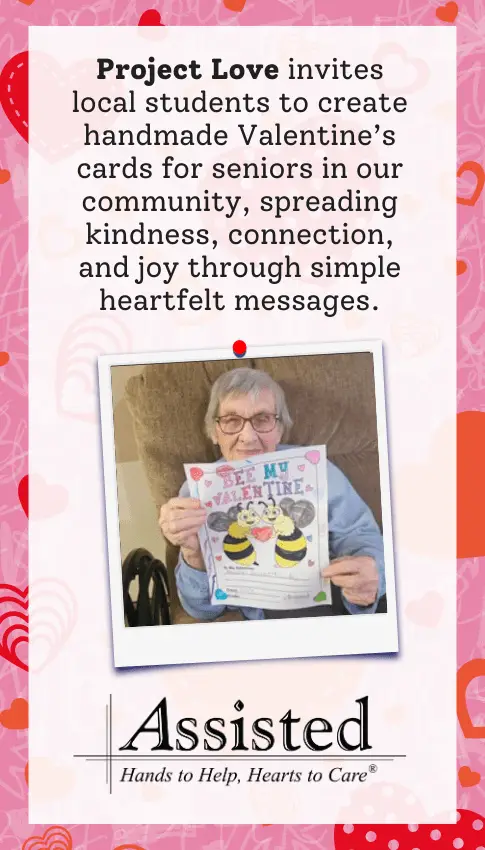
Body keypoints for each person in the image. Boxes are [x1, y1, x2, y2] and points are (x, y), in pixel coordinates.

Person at [158, 368, 386, 621]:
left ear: (279, 428)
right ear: (214, 431)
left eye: (263, 419)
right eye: (231, 420)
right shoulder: (196, 491)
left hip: (330, 593)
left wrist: (371, 571)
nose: (248, 437)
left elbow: (360, 534)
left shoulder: (315, 468)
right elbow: (200, 610)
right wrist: (192, 554)